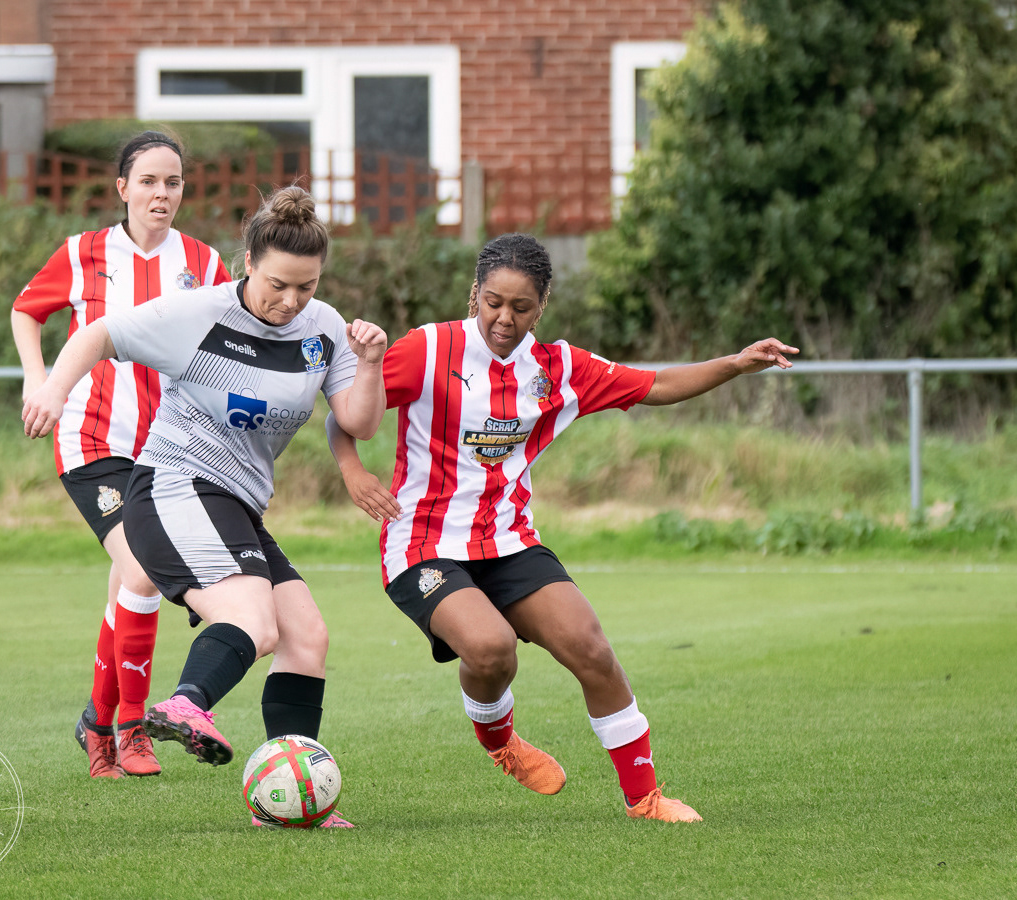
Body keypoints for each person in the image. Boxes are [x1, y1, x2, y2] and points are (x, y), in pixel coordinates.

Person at [327, 232, 798, 823]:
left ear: (542, 306)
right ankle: (500, 742)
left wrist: (736, 363)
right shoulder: (426, 349)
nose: (504, 317)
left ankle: (645, 799)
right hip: (422, 544)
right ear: (474, 294)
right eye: (493, 301)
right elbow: (346, 410)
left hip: (508, 540)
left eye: (521, 307)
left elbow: (655, 386)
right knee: (493, 650)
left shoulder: (560, 369)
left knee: (592, 650)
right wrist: (350, 471)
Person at [22, 184, 387, 828]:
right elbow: (100, 333)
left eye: (306, 286)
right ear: (248, 259)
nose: (291, 301)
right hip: (173, 488)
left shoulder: (323, 328)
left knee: (307, 638)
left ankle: (290, 799)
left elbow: (359, 420)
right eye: (278, 284)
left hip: (236, 506)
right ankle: (187, 705)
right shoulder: (199, 314)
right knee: (255, 621)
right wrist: (51, 389)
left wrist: (369, 362)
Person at [12, 130, 231, 780]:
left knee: (125, 591)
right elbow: (28, 310)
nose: (161, 194)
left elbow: (227, 345)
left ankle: (95, 724)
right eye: (148, 182)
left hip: (166, 451)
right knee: (137, 570)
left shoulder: (203, 261)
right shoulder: (84, 253)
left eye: (173, 182)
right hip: (94, 441)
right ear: (122, 189)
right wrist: (36, 379)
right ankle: (132, 726)